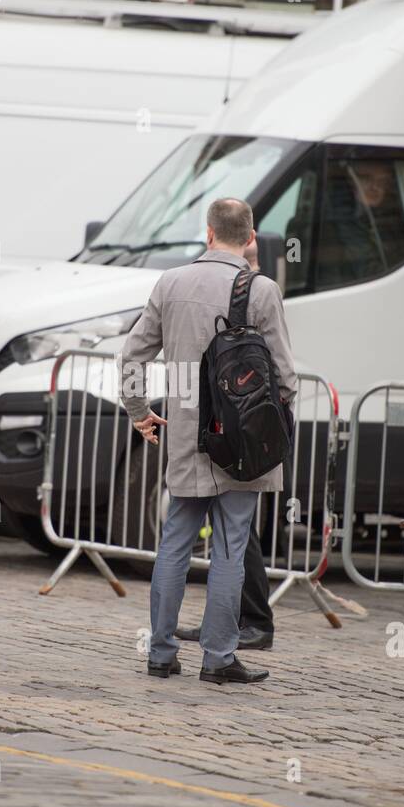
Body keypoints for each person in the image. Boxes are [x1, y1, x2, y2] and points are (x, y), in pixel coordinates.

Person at [120, 199, 296, 684]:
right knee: (230, 548)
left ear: (209, 233)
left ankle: (160, 652)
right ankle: (218, 658)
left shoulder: (171, 282)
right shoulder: (261, 290)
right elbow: (284, 374)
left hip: (183, 427)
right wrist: (277, 422)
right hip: (242, 434)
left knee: (175, 542)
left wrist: (140, 413)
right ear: (252, 236)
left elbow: (132, 356)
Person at [174, 239, 276, 651]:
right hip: (231, 419)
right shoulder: (245, 283)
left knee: (236, 532)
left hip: (246, 422)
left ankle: (252, 620)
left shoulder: (257, 287)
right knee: (230, 529)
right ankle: (223, 621)